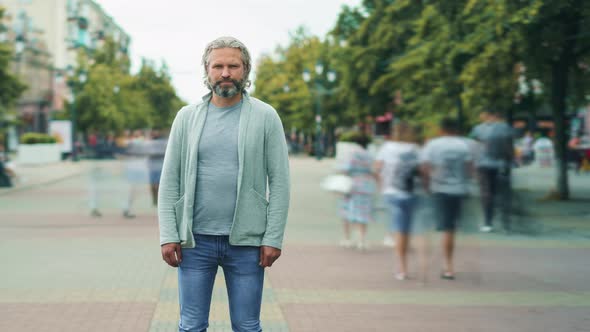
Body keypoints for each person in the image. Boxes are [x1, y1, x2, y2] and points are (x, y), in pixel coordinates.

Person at [158, 36, 290, 332]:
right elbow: (169, 182)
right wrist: (168, 234)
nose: (226, 73)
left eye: (234, 65)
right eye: (218, 66)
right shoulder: (186, 118)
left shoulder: (265, 116)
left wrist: (273, 238)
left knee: (246, 326)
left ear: (246, 70)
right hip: (195, 242)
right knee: (191, 325)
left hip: (246, 244)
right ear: (207, 70)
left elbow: (280, 182)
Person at [421, 118, 473, 280]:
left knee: (438, 226)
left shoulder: (433, 145)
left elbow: (424, 167)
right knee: (450, 228)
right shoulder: (464, 145)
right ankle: (448, 266)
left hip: (438, 188)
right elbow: (470, 169)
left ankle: (439, 264)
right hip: (457, 189)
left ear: (441, 129)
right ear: (456, 129)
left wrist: (427, 184)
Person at [375, 122, 421, 280]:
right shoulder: (415, 148)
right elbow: (424, 170)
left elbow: (377, 168)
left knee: (399, 230)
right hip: (411, 193)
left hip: (392, 192)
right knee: (406, 228)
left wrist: (381, 185)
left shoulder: (387, 147)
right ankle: (404, 257)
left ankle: (402, 268)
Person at [470, 109, 514, 233]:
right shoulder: (505, 128)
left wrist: (473, 164)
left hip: (482, 165)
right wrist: (512, 160)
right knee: (502, 193)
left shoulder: (477, 129)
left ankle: (488, 222)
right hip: (501, 165)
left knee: (486, 193)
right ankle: (505, 223)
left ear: (488, 115)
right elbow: (509, 147)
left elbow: (474, 147)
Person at [337, 131, 377, 250]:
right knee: (363, 213)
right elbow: (373, 170)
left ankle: (347, 238)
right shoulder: (369, 155)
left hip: (351, 186)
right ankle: (362, 240)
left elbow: (345, 168)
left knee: (347, 211)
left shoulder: (352, 154)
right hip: (366, 186)